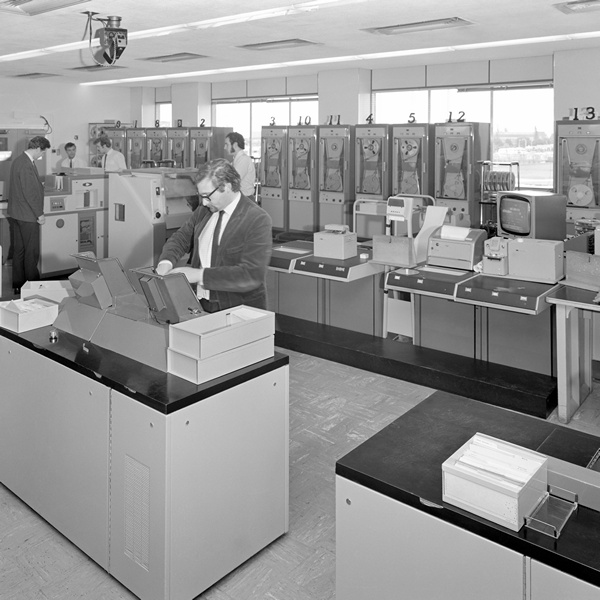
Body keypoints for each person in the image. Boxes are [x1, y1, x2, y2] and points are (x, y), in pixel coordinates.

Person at [156, 158, 272, 312]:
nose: (204, 202)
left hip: (237, 308)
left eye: (207, 195)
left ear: (227, 187)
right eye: (201, 196)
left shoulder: (257, 219)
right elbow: (181, 238)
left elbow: (250, 275)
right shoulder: (205, 211)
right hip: (201, 303)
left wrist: (199, 275)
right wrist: (166, 262)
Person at [7, 135, 51, 294]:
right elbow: (30, 193)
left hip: (17, 215)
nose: (42, 155)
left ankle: (18, 285)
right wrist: (40, 214)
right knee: (31, 253)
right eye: (43, 152)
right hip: (28, 216)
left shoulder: (19, 161)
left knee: (19, 251)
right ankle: (33, 287)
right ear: (38, 148)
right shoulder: (26, 164)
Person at [224, 132, 256, 198]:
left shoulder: (243, 160)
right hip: (240, 197)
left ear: (235, 145)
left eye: (227, 144)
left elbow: (234, 181)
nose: (224, 147)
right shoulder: (236, 160)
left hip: (245, 198)